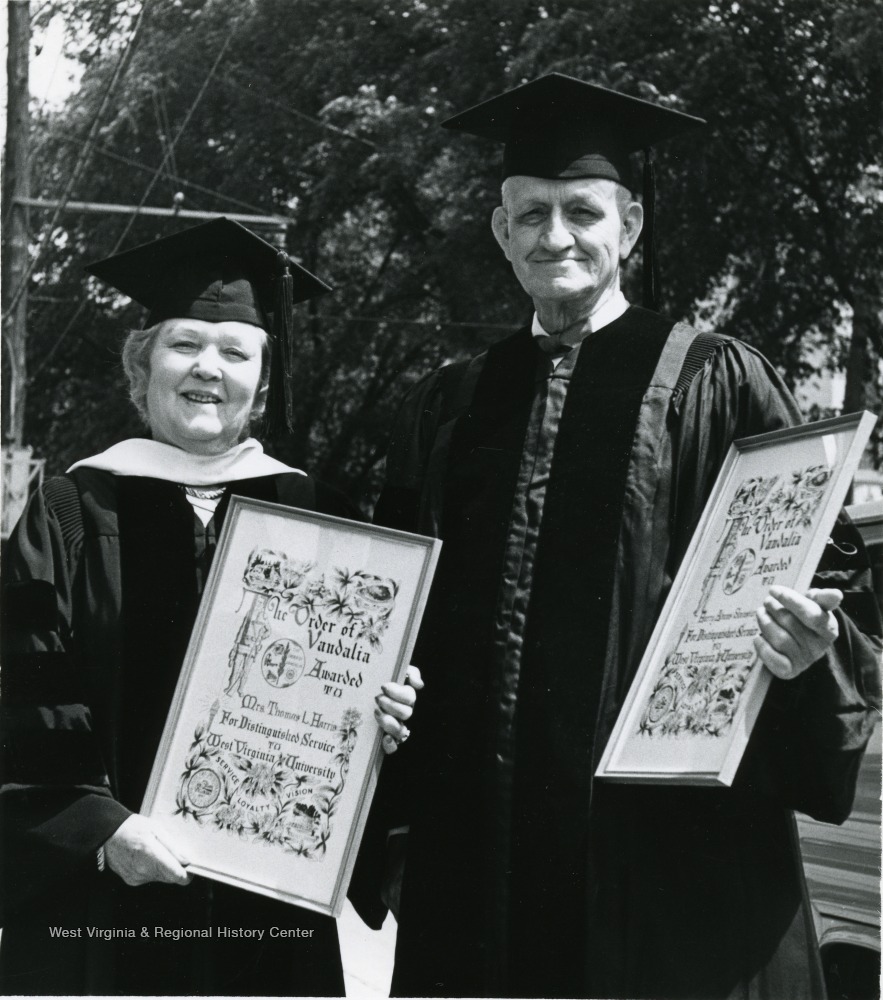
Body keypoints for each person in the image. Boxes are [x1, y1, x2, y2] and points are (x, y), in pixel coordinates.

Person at [372, 74, 882, 999]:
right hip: (482, 863)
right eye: (531, 214)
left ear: (630, 226)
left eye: (582, 211)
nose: (555, 236)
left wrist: (813, 648)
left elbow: (830, 588)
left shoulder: (714, 380)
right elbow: (396, 617)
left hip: (662, 866)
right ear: (500, 231)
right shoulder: (453, 403)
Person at [0, 218, 419, 996]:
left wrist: (384, 716)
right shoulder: (69, 508)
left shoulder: (320, 515)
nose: (207, 368)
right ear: (143, 366)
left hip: (270, 906)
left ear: (262, 380)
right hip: (107, 895)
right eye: (184, 344)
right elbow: (26, 689)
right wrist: (101, 829)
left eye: (234, 352)